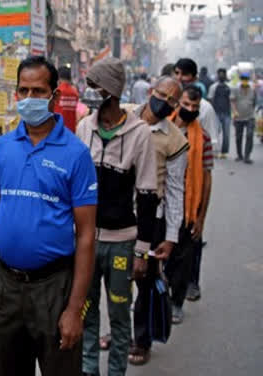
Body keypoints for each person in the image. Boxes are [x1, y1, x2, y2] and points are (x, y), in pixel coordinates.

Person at [0, 56, 97, 376]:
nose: (30, 99)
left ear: (54, 96)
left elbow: (85, 236)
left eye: (38, 91)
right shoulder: (2, 147)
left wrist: (74, 309)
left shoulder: (75, 154)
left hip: (54, 286)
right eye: (23, 90)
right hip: (6, 284)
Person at [75, 58, 159, 376]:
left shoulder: (140, 134)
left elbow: (149, 196)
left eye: (95, 86)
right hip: (85, 242)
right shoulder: (84, 128)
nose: (90, 92)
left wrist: (142, 251)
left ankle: (116, 372)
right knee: (86, 311)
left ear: (111, 90)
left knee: (120, 314)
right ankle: (88, 370)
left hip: (122, 244)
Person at [126, 77, 188, 366]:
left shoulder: (175, 140)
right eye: (162, 95)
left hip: (153, 222)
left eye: (173, 101)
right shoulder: (125, 116)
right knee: (115, 278)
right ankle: (119, 331)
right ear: (151, 92)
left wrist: (171, 236)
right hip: (118, 214)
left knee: (146, 281)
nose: (166, 102)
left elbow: (176, 190)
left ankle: (142, 339)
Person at [167, 85, 213, 324]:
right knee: (159, 256)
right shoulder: (163, 129)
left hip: (188, 208)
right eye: (186, 104)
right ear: (177, 103)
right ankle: (156, 298)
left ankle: (176, 302)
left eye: (195, 107)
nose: (190, 110)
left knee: (183, 259)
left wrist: (201, 217)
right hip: (162, 203)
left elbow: (206, 178)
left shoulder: (202, 138)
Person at [173, 58, 220, 148]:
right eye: (177, 73)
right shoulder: (168, 102)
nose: (179, 78)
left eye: (184, 74)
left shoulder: (205, 108)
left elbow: (211, 142)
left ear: (194, 78)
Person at [230, 72, 257, 163]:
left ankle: (247, 156)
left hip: (250, 116)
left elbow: (254, 103)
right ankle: (239, 155)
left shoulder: (252, 90)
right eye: (243, 79)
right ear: (241, 80)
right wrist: (234, 112)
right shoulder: (236, 89)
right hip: (238, 117)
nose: (245, 81)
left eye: (246, 79)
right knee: (238, 137)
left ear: (248, 80)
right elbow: (232, 101)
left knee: (249, 135)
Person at [208, 68, 232, 159]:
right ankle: (216, 151)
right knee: (215, 134)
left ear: (225, 75)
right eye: (220, 74)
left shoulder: (229, 87)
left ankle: (224, 152)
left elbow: (232, 100)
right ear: (218, 76)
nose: (221, 76)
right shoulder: (213, 87)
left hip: (227, 113)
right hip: (216, 113)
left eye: (223, 74)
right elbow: (210, 99)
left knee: (226, 134)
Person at [54, 65, 81, 132]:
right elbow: (79, 113)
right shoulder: (75, 93)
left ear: (59, 78)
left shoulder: (56, 92)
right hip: (71, 131)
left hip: (58, 130)